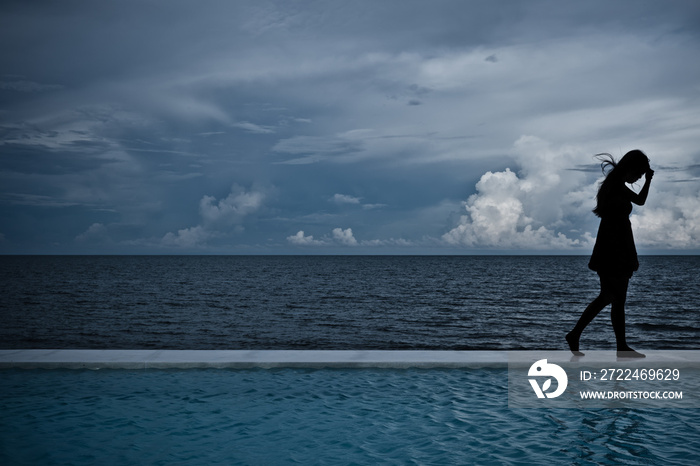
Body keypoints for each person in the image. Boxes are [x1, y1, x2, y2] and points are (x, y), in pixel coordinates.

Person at [566, 150, 654, 358]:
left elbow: (636, 205)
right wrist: (649, 180)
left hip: (612, 248)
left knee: (613, 298)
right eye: (639, 175)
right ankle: (585, 336)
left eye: (641, 176)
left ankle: (616, 345)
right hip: (614, 249)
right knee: (612, 297)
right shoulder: (616, 186)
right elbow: (635, 207)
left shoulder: (615, 185)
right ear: (631, 168)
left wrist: (648, 179)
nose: (638, 179)